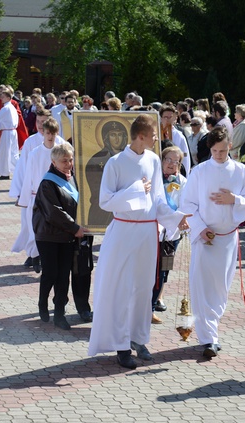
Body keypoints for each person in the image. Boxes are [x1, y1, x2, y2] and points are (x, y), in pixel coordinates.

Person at [87, 114, 190, 369]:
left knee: (144, 289)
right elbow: (106, 201)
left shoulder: (154, 160)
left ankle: (139, 339)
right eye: (154, 134)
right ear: (141, 136)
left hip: (147, 233)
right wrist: (135, 190)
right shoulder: (116, 163)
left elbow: (157, 200)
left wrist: (176, 218)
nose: (158, 137)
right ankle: (121, 347)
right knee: (122, 289)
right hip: (123, 231)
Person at [179, 126, 245, 358]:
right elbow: (188, 204)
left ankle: (212, 331)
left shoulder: (241, 171)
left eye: (222, 150)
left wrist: (234, 199)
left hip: (227, 239)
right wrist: (201, 229)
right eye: (214, 151)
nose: (219, 155)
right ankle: (209, 338)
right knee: (202, 288)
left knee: (221, 289)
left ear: (230, 146)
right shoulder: (200, 171)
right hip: (205, 240)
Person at [32, 143, 86, 330]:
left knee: (64, 275)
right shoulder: (48, 183)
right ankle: (42, 303)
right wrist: (74, 227)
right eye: (64, 161)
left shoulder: (73, 178)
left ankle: (60, 314)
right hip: (48, 235)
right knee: (50, 273)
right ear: (53, 162)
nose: (69, 164)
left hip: (67, 235)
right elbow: (53, 212)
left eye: (70, 160)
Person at [19, 119, 61, 274]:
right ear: (43, 133)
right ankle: (34, 257)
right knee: (34, 228)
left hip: (56, 197)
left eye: (53, 133)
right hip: (36, 196)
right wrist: (23, 198)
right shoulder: (35, 152)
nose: (50, 136)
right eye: (48, 133)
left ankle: (44, 258)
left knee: (51, 229)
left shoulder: (60, 151)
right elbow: (28, 175)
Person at [151, 146, 187, 324]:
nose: (173, 165)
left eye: (177, 161)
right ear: (162, 160)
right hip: (152, 232)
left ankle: (152, 305)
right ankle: (146, 308)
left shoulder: (183, 182)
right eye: (169, 160)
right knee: (152, 271)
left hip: (172, 234)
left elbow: (186, 205)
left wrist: (180, 220)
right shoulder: (154, 180)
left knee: (164, 271)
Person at [85, 120, 129, 227]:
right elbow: (96, 191)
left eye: (120, 135)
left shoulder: (130, 158)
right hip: (103, 211)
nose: (117, 139)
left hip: (127, 208)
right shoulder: (96, 160)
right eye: (113, 135)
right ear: (106, 137)